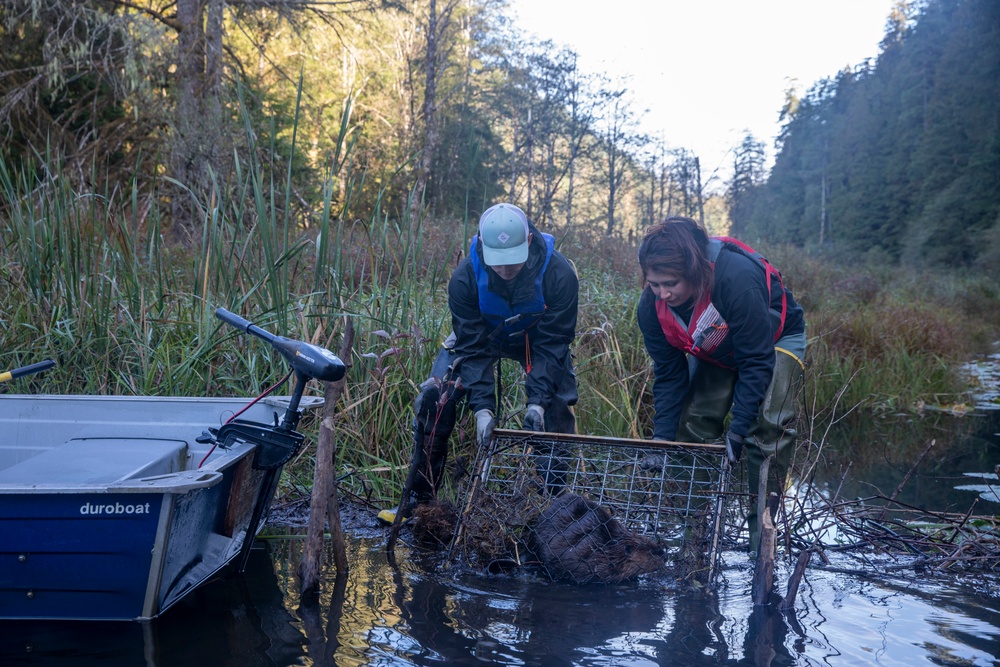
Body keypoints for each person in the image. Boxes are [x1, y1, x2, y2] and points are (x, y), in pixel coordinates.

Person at [379, 203, 579, 524]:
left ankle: (551, 505)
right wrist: (483, 409)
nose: (505, 270)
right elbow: (470, 345)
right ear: (482, 246)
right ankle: (418, 500)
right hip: (481, 336)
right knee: (435, 397)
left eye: (512, 261)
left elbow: (555, 343)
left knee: (555, 404)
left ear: (528, 241)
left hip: (537, 341)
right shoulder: (464, 279)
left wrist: (537, 403)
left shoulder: (560, 274)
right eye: (498, 263)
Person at [636, 216, 806, 553]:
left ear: (694, 271)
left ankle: (763, 542)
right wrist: (662, 439)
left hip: (773, 340)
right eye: (655, 284)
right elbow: (670, 376)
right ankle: (693, 539)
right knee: (693, 423)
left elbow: (756, 360)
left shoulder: (735, 279)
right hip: (716, 345)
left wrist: (738, 430)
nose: (663, 293)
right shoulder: (651, 307)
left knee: (769, 429)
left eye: (670, 283)